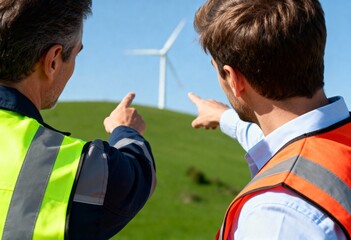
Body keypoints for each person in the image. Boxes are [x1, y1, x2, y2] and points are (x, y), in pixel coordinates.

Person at [189, 0, 351, 239]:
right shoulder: (337, 141)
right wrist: (223, 117)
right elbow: (288, 142)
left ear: (233, 79)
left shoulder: (277, 214)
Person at [0, 1, 156, 239]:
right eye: (75, 54)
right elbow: (135, 178)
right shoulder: (67, 164)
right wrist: (124, 129)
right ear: (52, 61)